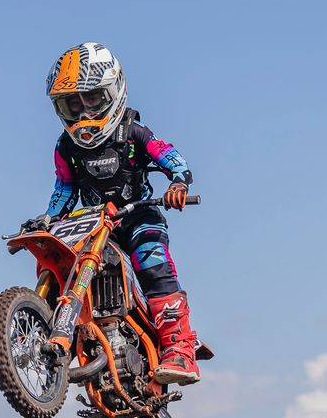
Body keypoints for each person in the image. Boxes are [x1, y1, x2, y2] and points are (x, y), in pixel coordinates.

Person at [29, 42, 203, 385]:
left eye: (91, 99)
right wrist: (48, 218)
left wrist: (179, 181)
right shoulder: (66, 148)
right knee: (58, 256)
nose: (83, 113)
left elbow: (167, 154)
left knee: (151, 260)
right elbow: (64, 188)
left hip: (137, 215)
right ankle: (57, 334)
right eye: (72, 104)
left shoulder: (133, 131)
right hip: (95, 223)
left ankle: (180, 349)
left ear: (113, 91)